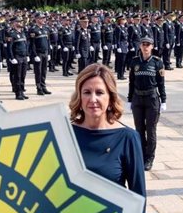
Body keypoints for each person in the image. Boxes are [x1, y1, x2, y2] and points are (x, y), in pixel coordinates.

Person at [69, 63, 146, 200]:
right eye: (87, 92)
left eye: (99, 92)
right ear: (79, 97)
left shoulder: (128, 138)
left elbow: (138, 196)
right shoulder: (65, 134)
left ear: (110, 98)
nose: (93, 99)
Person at [127, 36, 167, 172]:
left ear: (152, 46)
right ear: (140, 46)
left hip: (152, 99)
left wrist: (164, 100)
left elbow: (161, 83)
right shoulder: (134, 62)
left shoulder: (157, 62)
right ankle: (141, 155)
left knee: (151, 131)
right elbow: (131, 82)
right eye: (143, 44)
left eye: (148, 44)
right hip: (138, 98)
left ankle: (149, 158)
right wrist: (129, 99)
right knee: (139, 130)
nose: (145, 47)